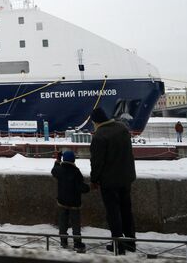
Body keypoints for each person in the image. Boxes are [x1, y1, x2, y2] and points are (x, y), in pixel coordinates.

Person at [89, 107, 136, 255]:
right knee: (126, 210)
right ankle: (130, 242)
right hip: (126, 178)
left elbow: (97, 162)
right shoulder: (122, 128)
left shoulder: (99, 136)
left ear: (96, 121)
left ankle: (118, 246)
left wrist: (94, 179)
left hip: (109, 182)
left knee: (113, 213)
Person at [52, 150, 89, 252]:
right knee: (76, 224)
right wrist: (88, 188)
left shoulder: (59, 170)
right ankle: (77, 243)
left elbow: (53, 171)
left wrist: (57, 160)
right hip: (74, 204)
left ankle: (63, 241)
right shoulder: (76, 172)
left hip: (62, 202)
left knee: (62, 222)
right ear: (73, 160)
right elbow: (81, 187)